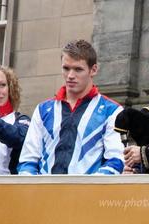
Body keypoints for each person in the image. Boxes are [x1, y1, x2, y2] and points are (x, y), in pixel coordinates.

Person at [18, 39, 125, 175]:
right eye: (66, 68)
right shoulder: (43, 109)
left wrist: (89, 191)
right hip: (45, 193)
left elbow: (115, 160)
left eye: (78, 69)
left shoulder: (112, 111)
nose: (70, 76)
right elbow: (28, 160)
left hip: (87, 193)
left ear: (94, 70)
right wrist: (34, 189)